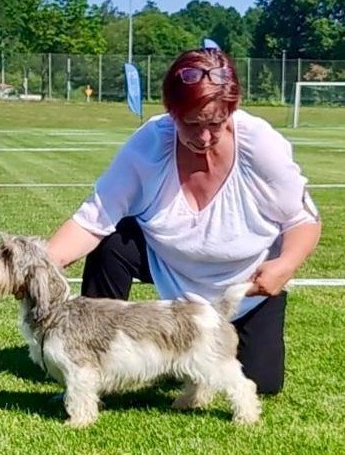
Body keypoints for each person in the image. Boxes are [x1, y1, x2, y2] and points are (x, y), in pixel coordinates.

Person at [47, 47, 321, 395]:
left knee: (261, 382)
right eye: (191, 123)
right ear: (171, 111)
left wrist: (286, 264)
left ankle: (182, 349)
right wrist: (37, 266)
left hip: (246, 283)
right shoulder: (148, 145)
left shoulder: (261, 144)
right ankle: (95, 349)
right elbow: (93, 219)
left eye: (216, 123)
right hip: (170, 267)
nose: (204, 137)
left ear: (232, 109)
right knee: (114, 239)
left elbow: (304, 219)